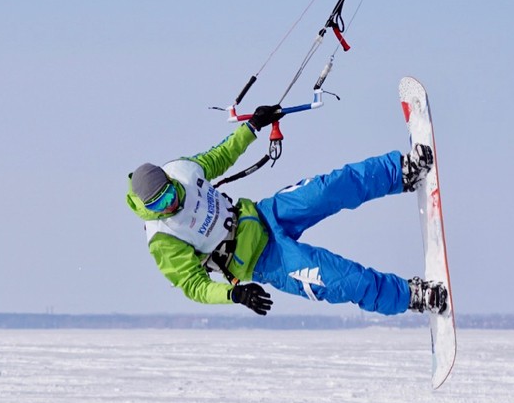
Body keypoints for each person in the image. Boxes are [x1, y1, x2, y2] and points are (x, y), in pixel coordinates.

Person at [126, 104, 448, 317]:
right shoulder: (162, 239)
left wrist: (252, 126)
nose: (168, 205)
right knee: (342, 280)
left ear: (169, 181)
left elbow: (220, 156)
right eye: (158, 205)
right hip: (266, 261)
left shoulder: (183, 170)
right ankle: (412, 296)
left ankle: (402, 171)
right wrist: (234, 296)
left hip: (265, 213)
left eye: (168, 195)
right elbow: (193, 286)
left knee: (331, 187)